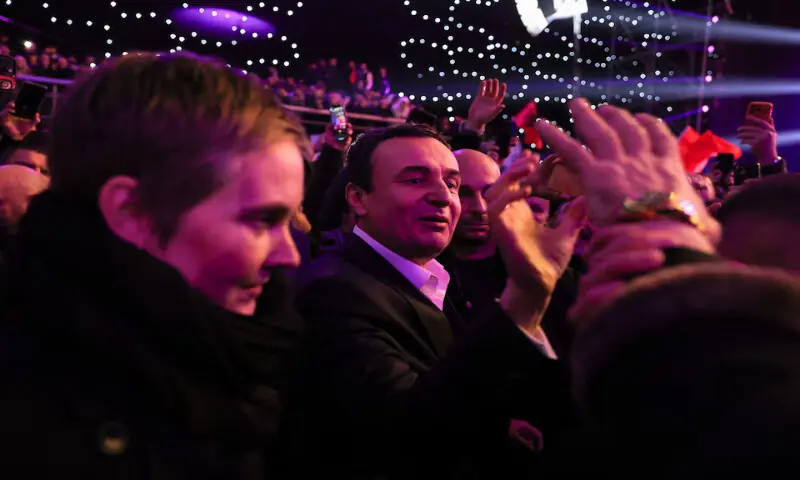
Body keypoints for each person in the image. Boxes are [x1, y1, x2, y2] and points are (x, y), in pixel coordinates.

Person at [0, 52, 309, 478]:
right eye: (261, 220)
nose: (289, 255)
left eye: (289, 220)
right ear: (132, 211)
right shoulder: (30, 416)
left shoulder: (260, 356)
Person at [294, 123, 581, 479]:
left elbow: (448, 382)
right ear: (358, 198)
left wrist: (492, 425)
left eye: (451, 183)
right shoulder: (332, 292)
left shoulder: (429, 276)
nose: (444, 197)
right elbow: (407, 426)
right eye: (414, 180)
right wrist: (524, 297)